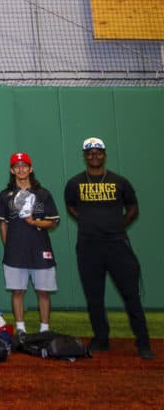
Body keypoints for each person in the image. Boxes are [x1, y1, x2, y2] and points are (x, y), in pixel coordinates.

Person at [64, 137, 154, 359]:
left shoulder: (119, 181)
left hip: (117, 246)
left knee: (131, 295)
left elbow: (133, 207)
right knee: (94, 296)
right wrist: (88, 221)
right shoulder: (75, 183)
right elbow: (71, 206)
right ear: (85, 156)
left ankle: (143, 342)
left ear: (104, 154)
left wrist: (117, 226)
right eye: (90, 153)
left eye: (98, 152)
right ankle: (101, 339)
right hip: (88, 246)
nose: (94, 156)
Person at [0, 152, 59, 335]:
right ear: (12, 170)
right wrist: (9, 247)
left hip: (40, 249)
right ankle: (20, 328)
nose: (21, 169)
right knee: (17, 291)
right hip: (16, 251)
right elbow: (3, 225)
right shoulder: (5, 195)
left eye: (24, 165)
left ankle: (44, 329)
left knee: (43, 292)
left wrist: (35, 222)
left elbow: (53, 222)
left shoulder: (43, 194)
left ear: (31, 168)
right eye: (17, 166)